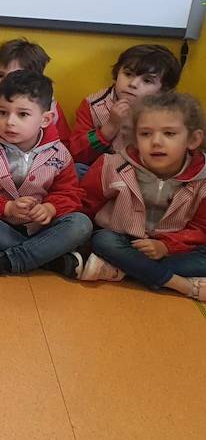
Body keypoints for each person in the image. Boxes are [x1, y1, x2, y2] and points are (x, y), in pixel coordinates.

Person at [0, 70, 90, 278]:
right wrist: (6, 207)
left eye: (22, 114)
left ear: (45, 119)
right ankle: (49, 258)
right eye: (3, 113)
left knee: (81, 224)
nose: (10, 122)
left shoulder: (59, 153)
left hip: (42, 227)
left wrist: (50, 208)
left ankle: (7, 260)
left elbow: (70, 194)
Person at [79, 92, 206, 302]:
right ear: (135, 138)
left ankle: (121, 269)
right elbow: (86, 205)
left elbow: (201, 229)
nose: (156, 142)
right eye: (146, 134)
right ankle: (182, 285)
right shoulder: (112, 165)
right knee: (103, 240)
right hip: (122, 240)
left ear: (193, 140)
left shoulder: (202, 179)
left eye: (169, 134)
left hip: (174, 247)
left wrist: (166, 246)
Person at [69, 43, 181, 168]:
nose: (133, 84)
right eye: (128, 74)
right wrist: (110, 127)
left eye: (147, 81)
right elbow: (77, 154)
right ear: (117, 73)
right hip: (100, 171)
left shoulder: (171, 113)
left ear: (163, 91)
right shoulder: (93, 106)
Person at [0, 38, 70, 152]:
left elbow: (63, 148)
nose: (5, 82)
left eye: (22, 114)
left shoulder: (50, 108)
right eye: (0, 75)